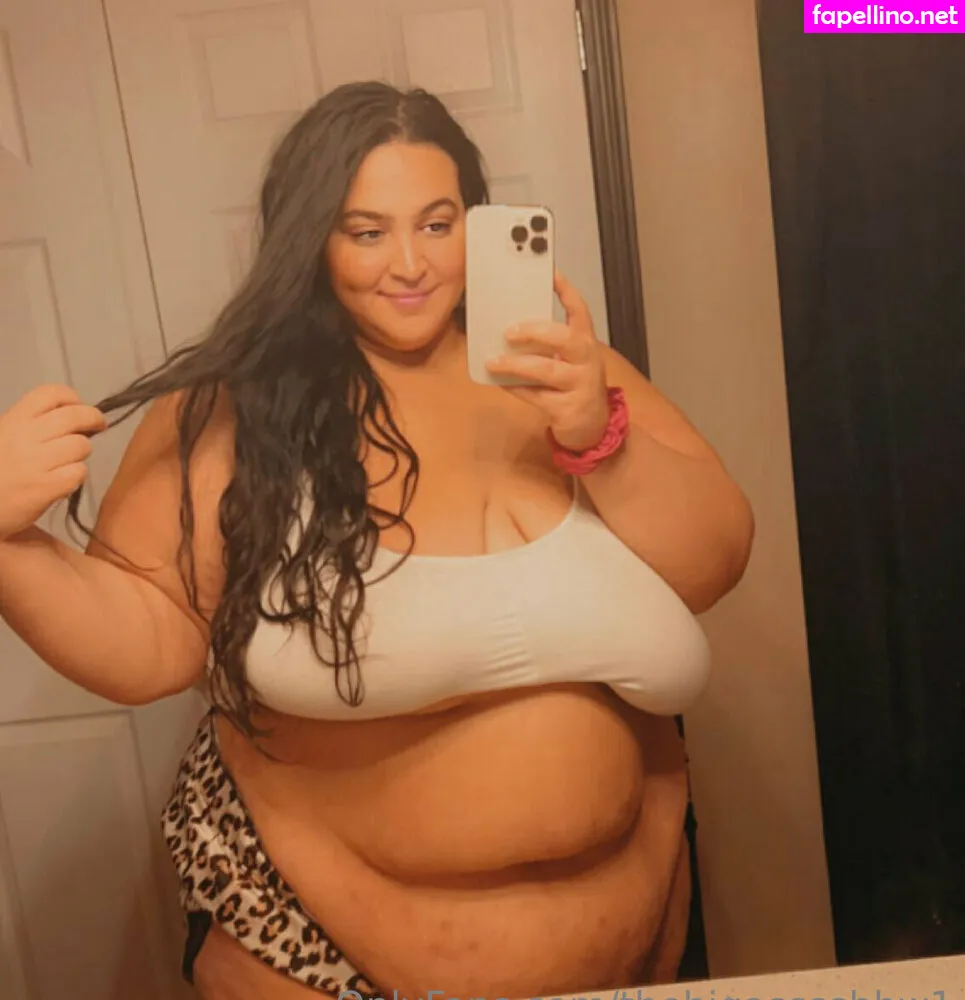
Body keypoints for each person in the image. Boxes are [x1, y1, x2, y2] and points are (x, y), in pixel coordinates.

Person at [0, 82, 754, 999]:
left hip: (630, 936)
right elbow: (149, 637)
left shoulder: (566, 375)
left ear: (476, 222)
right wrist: (5, 541)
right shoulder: (234, 408)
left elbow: (713, 562)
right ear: (310, 240)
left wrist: (600, 437)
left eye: (437, 224)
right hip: (317, 950)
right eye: (365, 232)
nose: (408, 264)